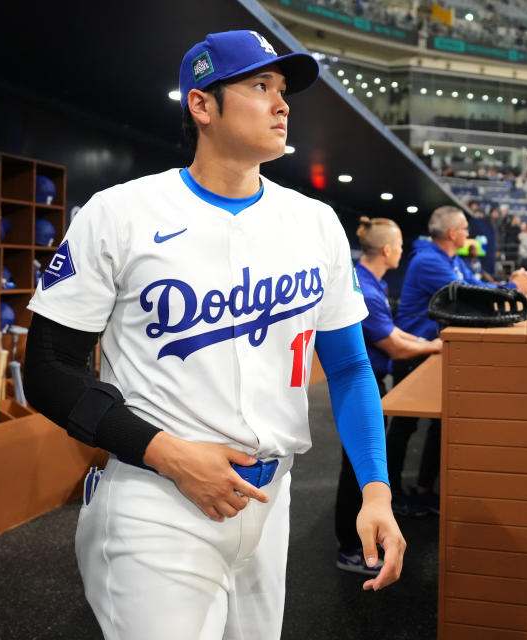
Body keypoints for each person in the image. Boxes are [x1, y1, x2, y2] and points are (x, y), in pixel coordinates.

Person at [22, 30, 405, 640]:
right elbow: (46, 368)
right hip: (157, 500)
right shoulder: (119, 213)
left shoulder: (314, 222)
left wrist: (377, 490)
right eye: (260, 86)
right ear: (202, 105)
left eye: (283, 90)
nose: (282, 104)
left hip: (270, 499)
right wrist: (165, 453)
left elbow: (353, 368)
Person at [391, 206, 527, 513]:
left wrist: (510, 287)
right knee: (404, 427)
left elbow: (477, 287)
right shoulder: (429, 260)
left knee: (436, 424)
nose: (470, 234)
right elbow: (473, 297)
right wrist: (513, 288)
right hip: (416, 351)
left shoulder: (451, 259)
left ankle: (422, 489)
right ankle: (392, 497)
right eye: (466, 229)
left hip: (435, 351)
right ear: (453, 233)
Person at [334, 217, 441, 574]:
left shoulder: (371, 282)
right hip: (359, 387)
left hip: (371, 383)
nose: (402, 251)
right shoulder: (362, 286)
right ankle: (350, 548)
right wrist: (432, 347)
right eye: (398, 245)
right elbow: (393, 346)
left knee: (360, 466)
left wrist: (430, 344)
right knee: (356, 469)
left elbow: (393, 331)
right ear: (386, 250)